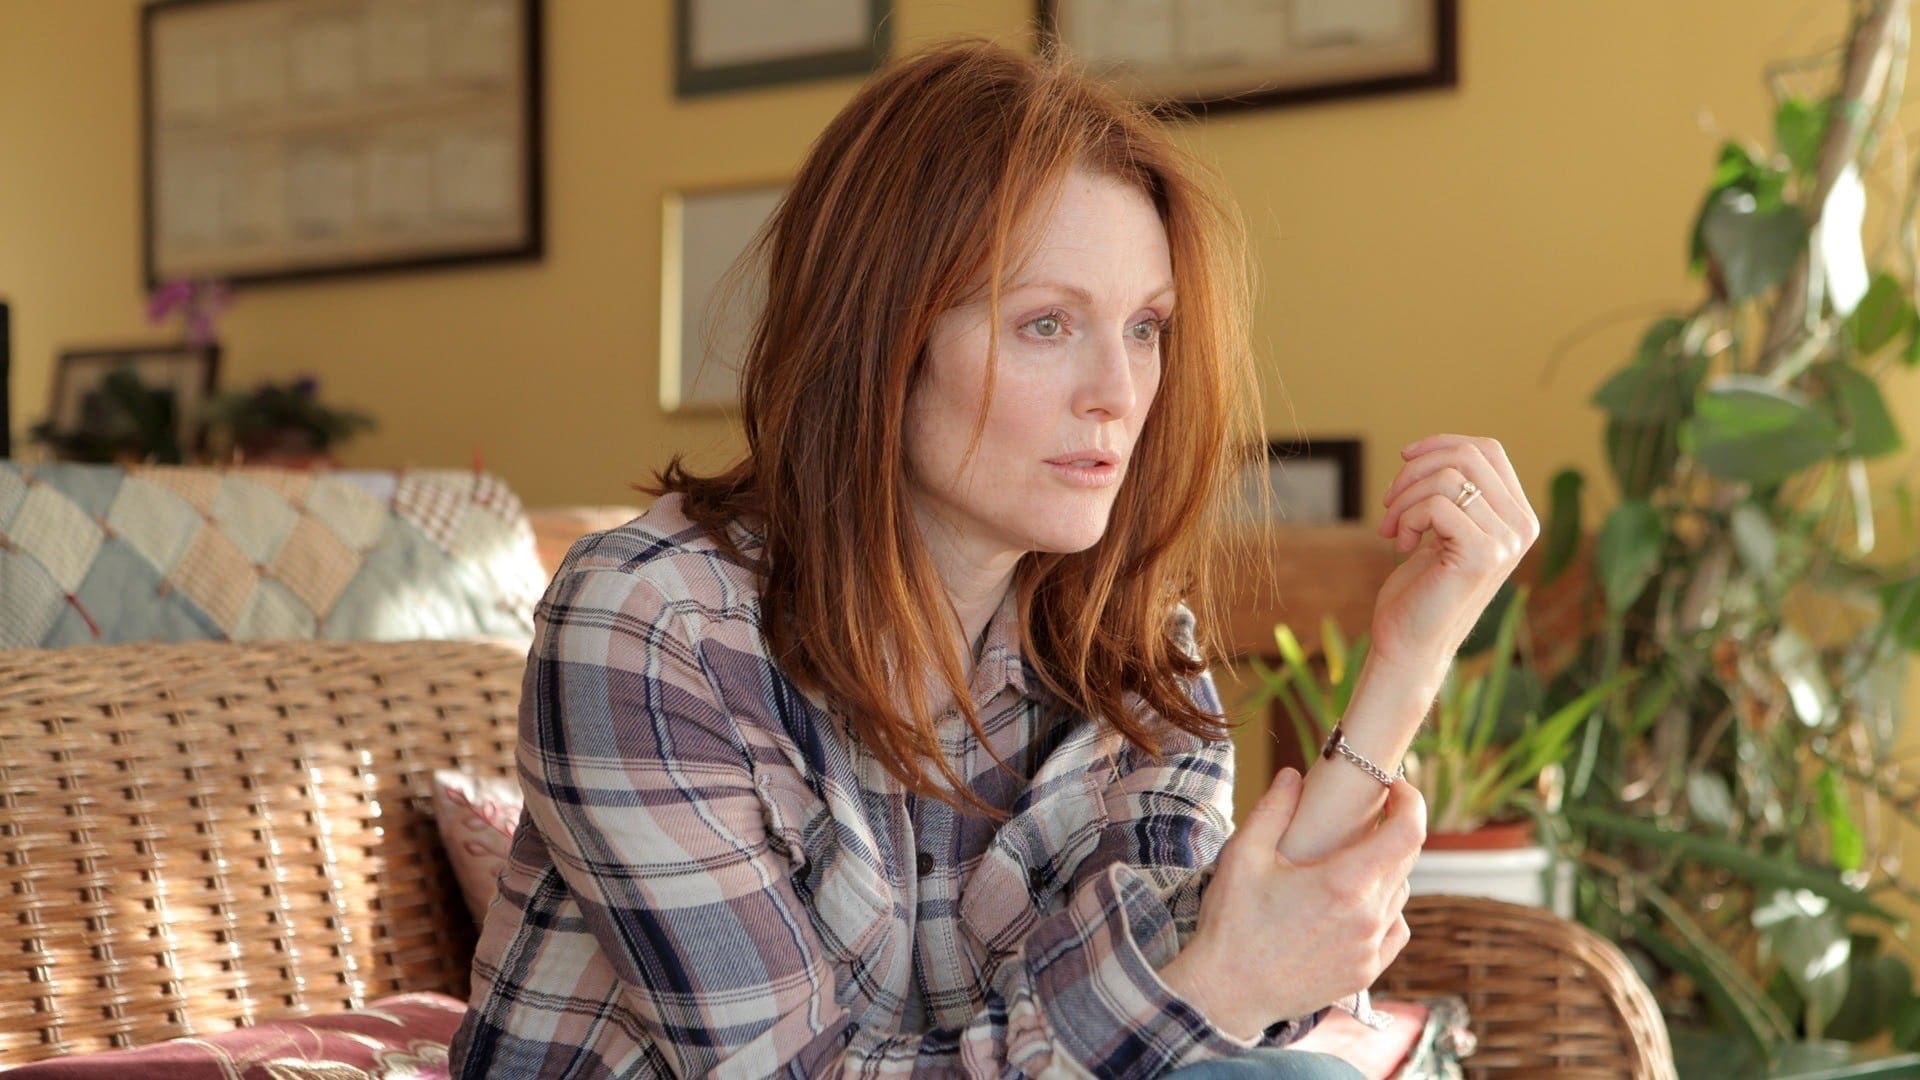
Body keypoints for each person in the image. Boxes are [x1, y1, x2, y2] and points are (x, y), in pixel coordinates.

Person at [449, 38, 1538, 1080]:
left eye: (1147, 327)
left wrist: (1410, 656)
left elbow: (1217, 955)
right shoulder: (652, 624)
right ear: (880, 339)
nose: (1120, 392)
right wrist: (1220, 985)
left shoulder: (1127, 650)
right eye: (1047, 325)